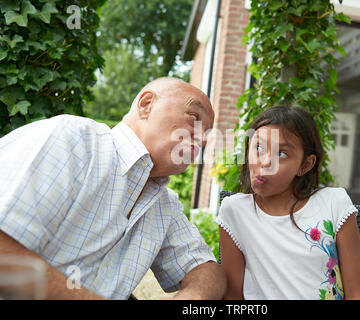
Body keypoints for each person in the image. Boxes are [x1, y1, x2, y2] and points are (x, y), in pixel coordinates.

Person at [0, 77, 226, 300]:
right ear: (146, 104)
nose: (203, 140)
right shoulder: (73, 140)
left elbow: (208, 272)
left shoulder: (163, 203)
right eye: (194, 117)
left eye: (207, 133)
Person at [218, 106, 360, 300]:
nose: (264, 162)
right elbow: (233, 296)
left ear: (305, 165)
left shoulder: (333, 203)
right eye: (258, 148)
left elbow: (357, 294)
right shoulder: (235, 211)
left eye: (281, 154)